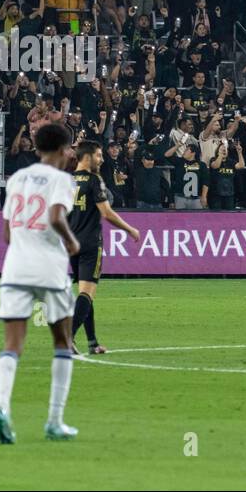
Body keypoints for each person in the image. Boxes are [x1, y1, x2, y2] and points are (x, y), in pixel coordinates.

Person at [0, 121, 81, 445]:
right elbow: (57, 216)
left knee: (12, 345)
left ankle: (2, 407)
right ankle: (55, 422)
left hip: (15, 267)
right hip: (51, 269)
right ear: (62, 149)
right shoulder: (63, 180)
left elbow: (5, 233)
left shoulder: (17, 178)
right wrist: (71, 243)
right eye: (71, 148)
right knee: (62, 341)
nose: (72, 153)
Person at [68, 140, 141, 356]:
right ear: (88, 157)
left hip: (71, 243)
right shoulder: (94, 180)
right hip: (90, 243)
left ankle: (92, 343)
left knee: (85, 292)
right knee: (87, 293)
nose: (101, 159)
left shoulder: (67, 181)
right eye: (98, 155)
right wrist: (130, 229)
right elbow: (107, 213)